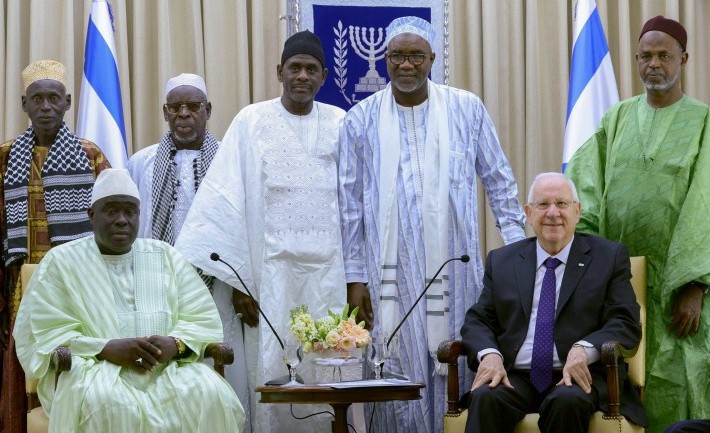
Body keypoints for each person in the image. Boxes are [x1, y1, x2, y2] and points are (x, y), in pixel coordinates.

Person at [338, 16, 526, 433]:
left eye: (415, 56)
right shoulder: (359, 119)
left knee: (456, 363)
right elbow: (349, 206)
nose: (406, 66)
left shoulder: (466, 108)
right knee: (395, 373)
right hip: (389, 275)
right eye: (397, 57)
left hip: (455, 271)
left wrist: (519, 255)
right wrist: (354, 277)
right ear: (385, 59)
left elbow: (499, 182)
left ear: (433, 59)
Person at [175, 31, 347, 433]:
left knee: (328, 367)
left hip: (329, 278)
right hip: (268, 280)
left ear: (324, 75)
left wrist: (358, 278)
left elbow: (355, 204)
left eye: (311, 69)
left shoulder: (341, 123)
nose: (302, 76)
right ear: (279, 72)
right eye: (295, 68)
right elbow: (226, 199)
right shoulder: (251, 120)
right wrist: (239, 282)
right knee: (272, 368)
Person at [13, 168, 245, 433]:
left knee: (211, 393)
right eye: (111, 211)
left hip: (167, 369)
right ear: (92, 215)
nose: (122, 220)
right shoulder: (61, 262)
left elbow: (200, 319)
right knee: (109, 404)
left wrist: (176, 344)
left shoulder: (166, 256)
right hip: (93, 371)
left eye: (130, 212)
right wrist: (104, 349)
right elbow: (44, 335)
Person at [565, 15, 710, 432]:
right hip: (619, 279)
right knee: (620, 374)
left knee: (678, 377)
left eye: (664, 55)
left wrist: (696, 284)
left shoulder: (703, 121)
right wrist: (586, 267)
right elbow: (585, 189)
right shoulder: (616, 118)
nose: (654, 64)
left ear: (683, 58)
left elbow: (704, 205)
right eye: (646, 56)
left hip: (678, 286)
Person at [460, 172, 647, 433]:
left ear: (577, 211)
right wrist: (490, 354)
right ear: (528, 212)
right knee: (486, 396)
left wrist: (584, 348)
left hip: (581, 376)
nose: (553, 213)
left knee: (566, 400)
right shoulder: (503, 261)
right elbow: (479, 319)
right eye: (543, 205)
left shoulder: (608, 257)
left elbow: (625, 321)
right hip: (517, 375)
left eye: (561, 204)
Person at [0, 60, 110, 433]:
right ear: (23, 104)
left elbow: (112, 226)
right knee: (21, 372)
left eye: (53, 99)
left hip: (77, 287)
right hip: (19, 287)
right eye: (37, 99)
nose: (45, 106)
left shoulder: (91, 156)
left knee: (73, 366)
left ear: (66, 102)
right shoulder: (5, 157)